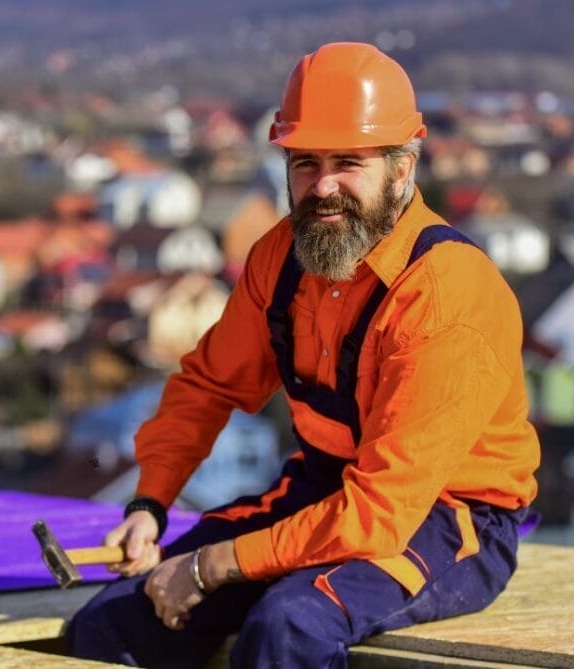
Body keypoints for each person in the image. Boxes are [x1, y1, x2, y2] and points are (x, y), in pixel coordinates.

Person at [66, 41, 540, 668]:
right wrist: (149, 504)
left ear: (402, 169)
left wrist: (210, 567)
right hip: (324, 492)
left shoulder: (446, 296)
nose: (323, 187)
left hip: (448, 521)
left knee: (288, 627)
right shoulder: (280, 259)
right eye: (305, 162)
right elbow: (208, 385)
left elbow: (382, 513)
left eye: (349, 162)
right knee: (115, 622)